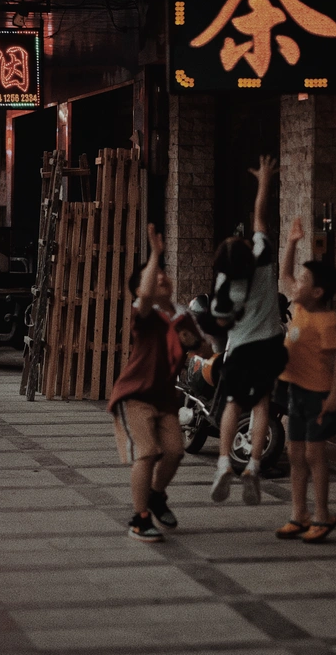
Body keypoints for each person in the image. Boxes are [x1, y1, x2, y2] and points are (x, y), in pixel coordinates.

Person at [108, 223, 201, 542]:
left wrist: (197, 342)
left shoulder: (182, 315)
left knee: (175, 452)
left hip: (164, 398)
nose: (162, 277)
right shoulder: (144, 313)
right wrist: (155, 254)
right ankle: (140, 517)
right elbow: (146, 294)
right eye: (155, 275)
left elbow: (203, 348)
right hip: (135, 395)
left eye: (164, 274)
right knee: (147, 453)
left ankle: (156, 495)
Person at [210, 155, 288, 506]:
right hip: (269, 346)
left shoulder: (225, 281)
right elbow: (260, 217)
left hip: (240, 348)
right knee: (261, 404)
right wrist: (264, 180)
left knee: (232, 403)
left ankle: (224, 462)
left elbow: (220, 320)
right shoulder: (263, 257)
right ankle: (254, 465)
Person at [275, 217, 336, 543]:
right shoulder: (301, 308)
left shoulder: (326, 320)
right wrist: (291, 242)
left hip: (318, 396)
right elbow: (285, 274)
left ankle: (323, 514)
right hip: (296, 393)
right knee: (295, 454)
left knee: (315, 456)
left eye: (304, 281)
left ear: (317, 292)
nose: (296, 284)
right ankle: (298, 513)